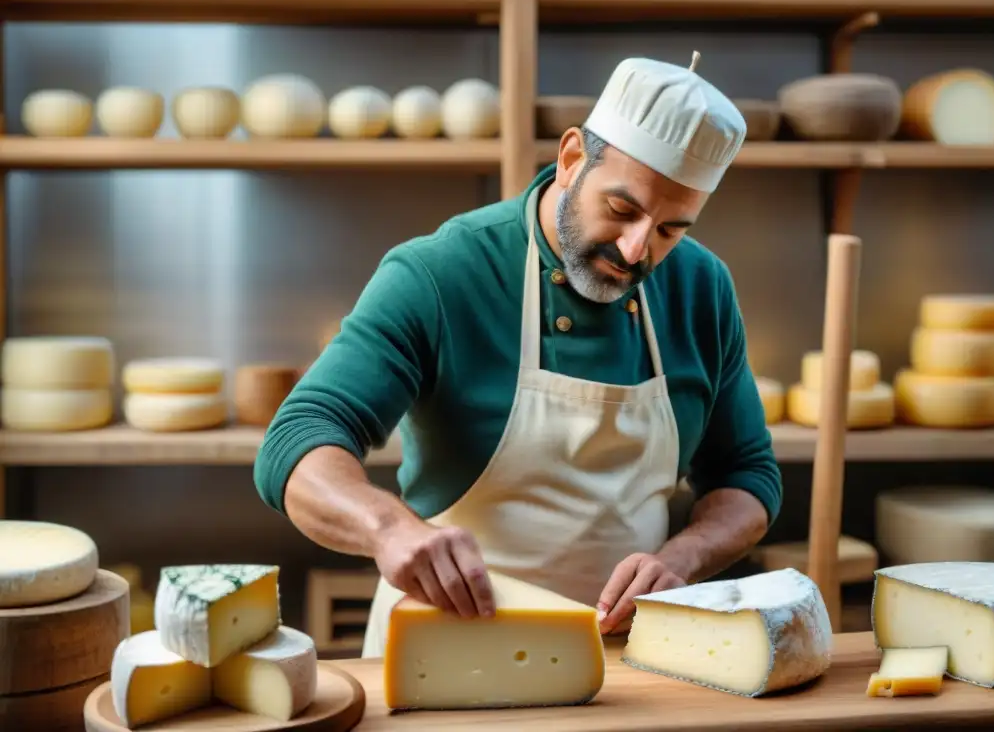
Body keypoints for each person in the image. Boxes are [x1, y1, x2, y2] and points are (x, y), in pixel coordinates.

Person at [253, 55, 782, 659]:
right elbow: (297, 440)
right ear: (572, 157)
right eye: (622, 210)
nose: (637, 249)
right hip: (448, 654)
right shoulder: (440, 273)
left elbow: (747, 475)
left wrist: (683, 558)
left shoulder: (702, 288)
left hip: (630, 662)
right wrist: (389, 527)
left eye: (670, 230)